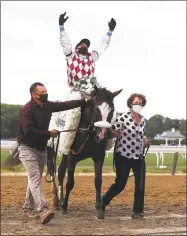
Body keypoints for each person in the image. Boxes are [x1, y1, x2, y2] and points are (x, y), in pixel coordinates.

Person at [17, 82, 92, 224]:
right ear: (34, 95)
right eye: (43, 92)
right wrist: (49, 133)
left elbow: (64, 105)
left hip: (41, 149)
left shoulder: (47, 106)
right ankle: (43, 210)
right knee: (34, 179)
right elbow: (28, 131)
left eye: (46, 91)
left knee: (35, 179)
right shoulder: (27, 110)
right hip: (27, 148)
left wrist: (85, 101)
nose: (46, 94)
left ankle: (27, 208)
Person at [49, 12, 117, 156]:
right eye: (83, 44)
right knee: (74, 112)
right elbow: (66, 43)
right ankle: (65, 146)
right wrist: (61, 26)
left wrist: (110, 31)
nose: (85, 46)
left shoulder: (92, 57)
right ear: (78, 46)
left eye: (87, 45)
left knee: (109, 108)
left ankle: (107, 142)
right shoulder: (71, 55)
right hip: (76, 91)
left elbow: (103, 45)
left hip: (92, 91)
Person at [101, 93, 150, 219]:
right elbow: (111, 133)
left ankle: (137, 212)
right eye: (136, 102)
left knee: (140, 185)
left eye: (140, 103)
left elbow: (142, 135)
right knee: (120, 184)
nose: (138, 104)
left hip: (138, 156)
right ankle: (103, 201)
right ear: (130, 103)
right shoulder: (123, 117)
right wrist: (115, 134)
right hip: (123, 155)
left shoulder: (143, 119)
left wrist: (145, 141)